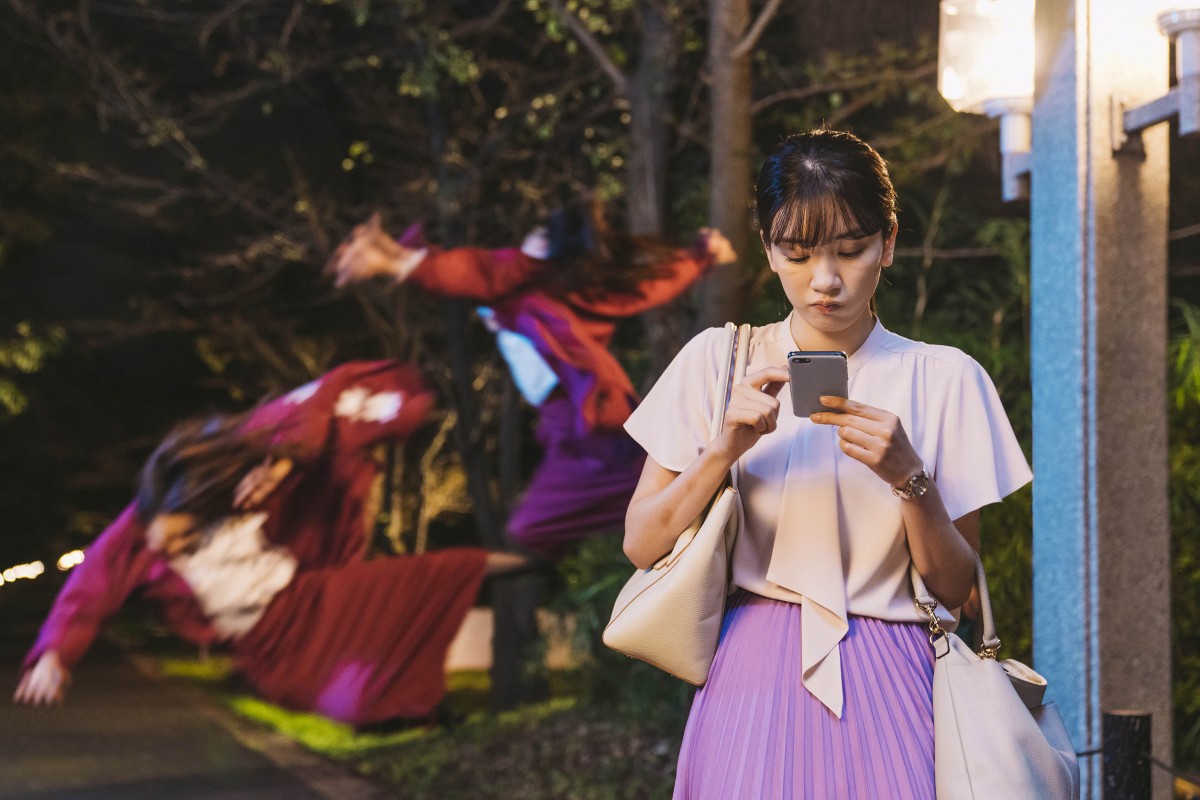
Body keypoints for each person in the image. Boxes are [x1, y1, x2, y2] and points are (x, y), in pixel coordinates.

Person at [622, 130, 1032, 798]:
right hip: (750, 673)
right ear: (767, 247)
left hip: (895, 674)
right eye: (797, 252)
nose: (826, 280)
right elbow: (642, 543)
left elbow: (957, 589)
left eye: (851, 250)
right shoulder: (715, 362)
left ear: (888, 242)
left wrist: (911, 479)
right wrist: (722, 450)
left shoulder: (947, 379)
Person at [14, 360, 527, 727]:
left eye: (182, 538)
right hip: (266, 644)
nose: (169, 550)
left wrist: (287, 458)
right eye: (163, 541)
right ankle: (406, 709)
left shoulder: (247, 467)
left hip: (307, 597)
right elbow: (90, 584)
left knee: (434, 575)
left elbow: (325, 394)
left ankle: (531, 561)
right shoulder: (135, 531)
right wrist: (54, 655)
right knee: (335, 697)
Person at [327, 199, 737, 560]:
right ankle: (692, 503)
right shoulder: (545, 284)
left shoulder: (529, 277)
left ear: (547, 246)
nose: (527, 236)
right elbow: (645, 288)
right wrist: (701, 254)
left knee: (541, 524)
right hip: (575, 416)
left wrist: (389, 260)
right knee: (549, 520)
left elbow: (476, 273)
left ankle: (696, 504)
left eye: (537, 233)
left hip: (586, 417)